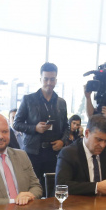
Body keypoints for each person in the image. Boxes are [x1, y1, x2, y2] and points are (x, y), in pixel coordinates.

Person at [14, 62, 68, 194]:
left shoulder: (61, 102)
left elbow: (66, 126)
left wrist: (62, 141)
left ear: (56, 80)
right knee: (29, 187)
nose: (49, 83)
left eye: (52, 79)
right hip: (33, 152)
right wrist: (35, 128)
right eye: (46, 79)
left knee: (51, 188)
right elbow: (16, 124)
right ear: (40, 79)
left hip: (53, 151)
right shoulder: (28, 99)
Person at [55, 115, 106, 196]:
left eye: (105, 141)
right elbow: (61, 185)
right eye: (99, 140)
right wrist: (96, 187)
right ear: (87, 133)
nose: (102, 145)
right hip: (78, 202)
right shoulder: (68, 153)